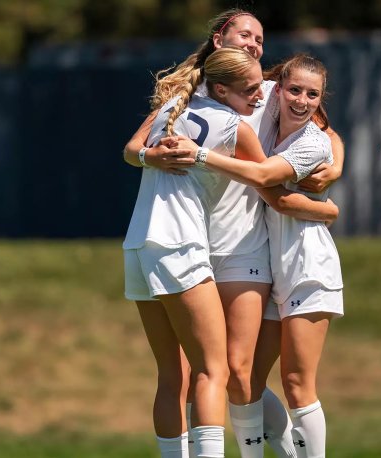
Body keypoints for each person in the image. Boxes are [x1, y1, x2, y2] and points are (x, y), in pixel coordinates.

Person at [125, 9, 344, 458]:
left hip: (233, 245)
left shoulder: (256, 90)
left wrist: (334, 170)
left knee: (233, 372)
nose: (255, 44)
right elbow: (134, 148)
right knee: (202, 372)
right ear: (219, 37)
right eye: (246, 34)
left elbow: (322, 132)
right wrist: (325, 211)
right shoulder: (194, 98)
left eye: (261, 39)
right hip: (193, 245)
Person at [123, 46, 269, 458]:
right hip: (179, 245)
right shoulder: (234, 127)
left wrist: (150, 156)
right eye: (250, 90)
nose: (258, 97)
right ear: (221, 89)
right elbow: (268, 182)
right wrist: (322, 195)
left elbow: (130, 151)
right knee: (213, 370)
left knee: (173, 376)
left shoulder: (173, 105)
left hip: (138, 246)